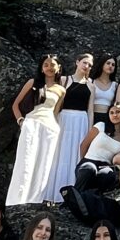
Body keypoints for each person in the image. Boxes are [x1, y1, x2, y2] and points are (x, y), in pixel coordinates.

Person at [4, 55, 65, 207]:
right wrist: (21, 121)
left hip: (50, 127)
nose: (49, 67)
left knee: (43, 165)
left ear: (58, 67)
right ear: (41, 68)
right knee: (25, 161)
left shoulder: (61, 90)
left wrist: (55, 127)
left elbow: (55, 112)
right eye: (46, 64)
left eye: (52, 64)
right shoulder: (33, 83)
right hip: (32, 122)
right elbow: (15, 105)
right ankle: (15, 202)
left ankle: (35, 201)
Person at [67, 98, 120, 224]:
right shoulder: (100, 126)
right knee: (89, 169)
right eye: (111, 112)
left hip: (105, 165)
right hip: (89, 160)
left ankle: (93, 200)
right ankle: (74, 199)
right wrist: (82, 163)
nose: (114, 115)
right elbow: (84, 145)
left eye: (118, 112)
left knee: (109, 175)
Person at [46, 53, 95, 205]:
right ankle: (54, 194)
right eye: (84, 62)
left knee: (75, 155)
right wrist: (53, 122)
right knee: (60, 154)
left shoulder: (91, 85)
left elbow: (90, 109)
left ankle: (72, 196)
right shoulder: (64, 80)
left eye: (89, 64)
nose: (86, 66)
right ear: (77, 62)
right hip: (64, 119)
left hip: (81, 121)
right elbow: (57, 105)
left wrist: (89, 131)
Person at [88, 53, 120, 122]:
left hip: (108, 118)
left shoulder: (115, 85)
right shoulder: (91, 81)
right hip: (92, 116)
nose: (110, 66)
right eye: (108, 63)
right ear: (102, 64)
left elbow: (118, 104)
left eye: (113, 65)